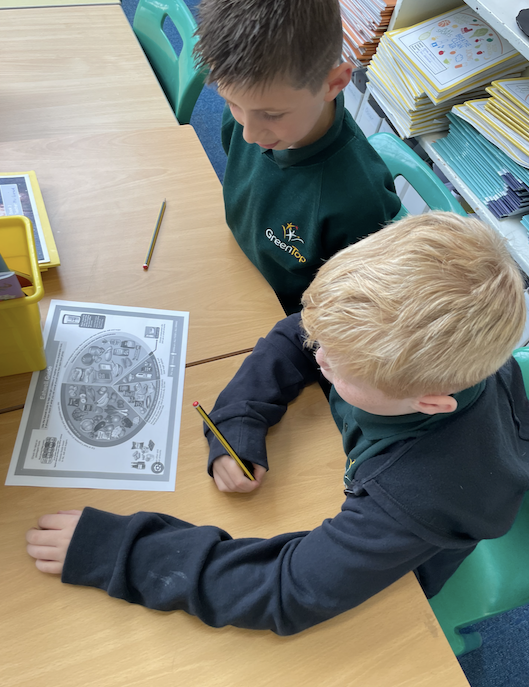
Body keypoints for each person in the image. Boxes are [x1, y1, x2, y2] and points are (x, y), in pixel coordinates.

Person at [26, 212, 529, 636]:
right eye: (323, 342)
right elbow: (297, 337)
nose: (318, 354)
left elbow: (288, 590)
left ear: (430, 402)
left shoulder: (417, 494)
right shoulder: (424, 363)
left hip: (408, 561)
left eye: (337, 366)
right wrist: (239, 421)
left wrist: (122, 550)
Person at [193, 0, 401, 315]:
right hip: (235, 265)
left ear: (334, 84)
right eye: (232, 103)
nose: (249, 134)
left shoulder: (360, 201)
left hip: (283, 317)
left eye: (272, 115)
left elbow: (348, 308)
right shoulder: (250, 112)